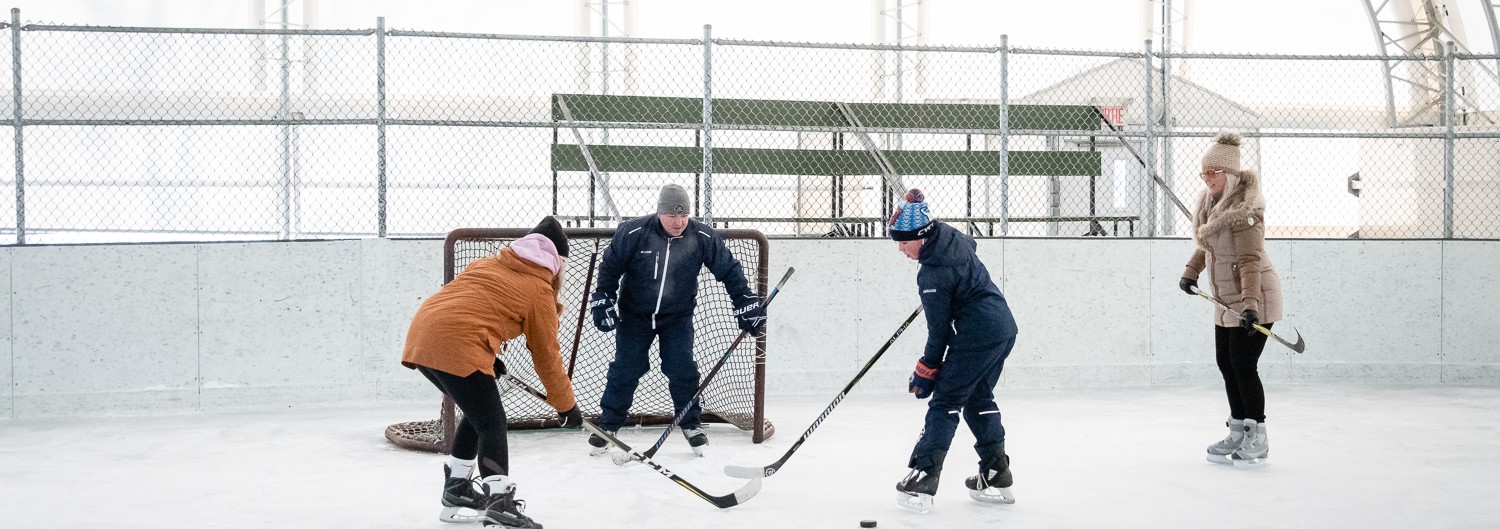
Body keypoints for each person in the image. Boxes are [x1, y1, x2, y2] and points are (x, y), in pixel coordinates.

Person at [401, 216, 583, 529]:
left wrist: (488, 356)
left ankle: (457, 489)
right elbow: (546, 356)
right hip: (455, 344)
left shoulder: (487, 264)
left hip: (422, 338)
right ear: (556, 262)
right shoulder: (538, 289)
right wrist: (566, 406)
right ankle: (500, 501)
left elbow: (474, 307)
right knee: (491, 421)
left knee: (477, 414)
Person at [586, 183, 765, 456]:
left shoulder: (702, 236)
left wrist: (744, 301)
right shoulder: (634, 232)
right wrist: (603, 300)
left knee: (681, 368)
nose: (679, 222)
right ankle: (609, 426)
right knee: (626, 368)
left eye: (684, 216)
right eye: (672, 216)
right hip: (635, 316)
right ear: (660, 212)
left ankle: (692, 425)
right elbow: (610, 269)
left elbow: (729, 270)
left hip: (677, 317)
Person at [887, 189, 1020, 513]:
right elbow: (967, 259)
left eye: (904, 242)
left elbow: (940, 332)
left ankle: (924, 476)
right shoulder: (951, 240)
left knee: (946, 400)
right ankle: (996, 472)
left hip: (978, 333)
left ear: (920, 236)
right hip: (1003, 327)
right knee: (978, 398)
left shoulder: (932, 273)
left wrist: (927, 368)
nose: (902, 250)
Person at [1177, 132, 1284, 466]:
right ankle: (1237, 431)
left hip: (1255, 299)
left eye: (1214, 172)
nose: (1207, 178)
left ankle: (1258, 437)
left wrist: (1250, 304)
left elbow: (1251, 261)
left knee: (1243, 364)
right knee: (1227, 363)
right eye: (1204, 173)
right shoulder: (1212, 205)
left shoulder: (1246, 212)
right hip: (1225, 301)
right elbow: (1206, 243)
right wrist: (1191, 270)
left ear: (1231, 173)